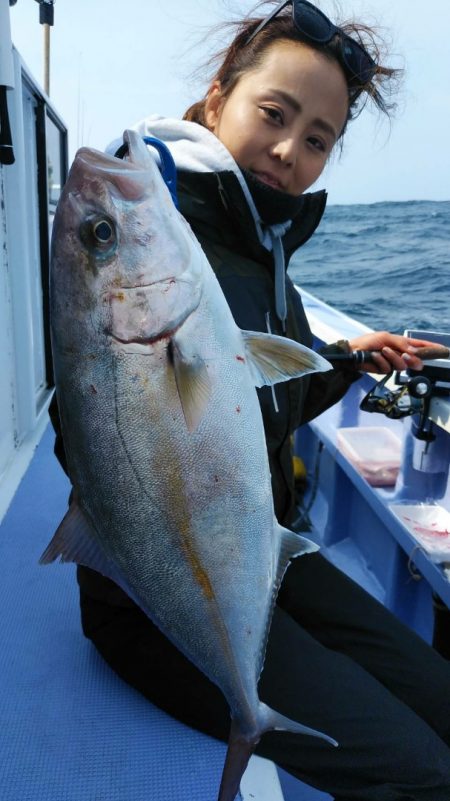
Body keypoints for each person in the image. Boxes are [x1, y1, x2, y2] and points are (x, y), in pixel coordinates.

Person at [51, 2, 450, 799]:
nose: (288, 150)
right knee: (423, 775)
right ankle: (249, 709)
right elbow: (90, 426)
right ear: (215, 100)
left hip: (253, 548)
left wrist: (347, 360)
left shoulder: (256, 248)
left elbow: (262, 397)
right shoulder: (176, 239)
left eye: (317, 140)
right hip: (158, 595)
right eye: (274, 114)